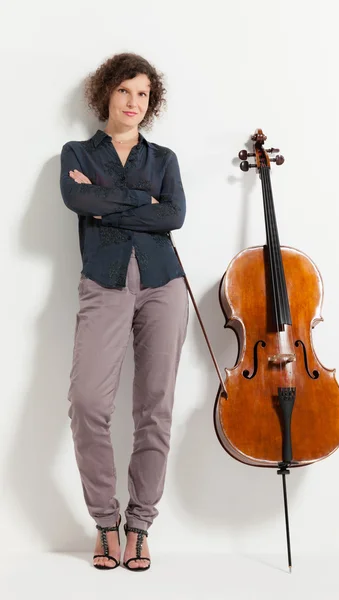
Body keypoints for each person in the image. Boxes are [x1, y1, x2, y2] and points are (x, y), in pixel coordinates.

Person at [59, 52, 189, 571]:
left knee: (154, 408)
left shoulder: (165, 160)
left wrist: (107, 198)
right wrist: (143, 207)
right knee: (88, 403)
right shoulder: (76, 153)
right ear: (105, 94)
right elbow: (77, 201)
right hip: (104, 283)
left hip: (164, 285)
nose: (134, 102)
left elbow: (174, 214)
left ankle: (139, 526)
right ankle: (104, 520)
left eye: (143, 94)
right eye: (124, 91)